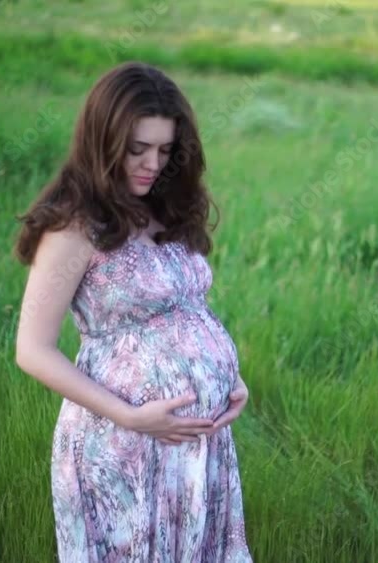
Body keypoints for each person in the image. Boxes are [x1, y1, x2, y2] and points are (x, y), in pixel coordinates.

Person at [13, 61, 253, 562]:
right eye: (137, 148)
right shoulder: (73, 228)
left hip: (196, 447)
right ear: (103, 140)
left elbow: (186, 311)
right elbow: (32, 350)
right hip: (123, 443)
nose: (152, 163)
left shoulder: (163, 210)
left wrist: (228, 378)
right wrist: (132, 417)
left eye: (165, 150)